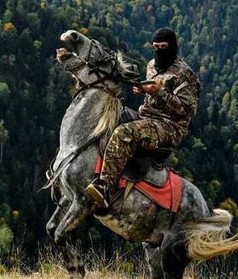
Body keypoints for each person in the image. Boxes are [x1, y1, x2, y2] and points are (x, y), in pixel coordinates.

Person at [86, 28, 201, 209]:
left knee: (124, 133)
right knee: (110, 118)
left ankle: (105, 188)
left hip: (169, 126)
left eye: (163, 47)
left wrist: (159, 92)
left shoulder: (184, 74)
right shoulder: (152, 65)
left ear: (172, 47)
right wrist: (143, 90)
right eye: (155, 47)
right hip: (146, 116)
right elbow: (152, 94)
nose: (159, 51)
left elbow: (188, 109)